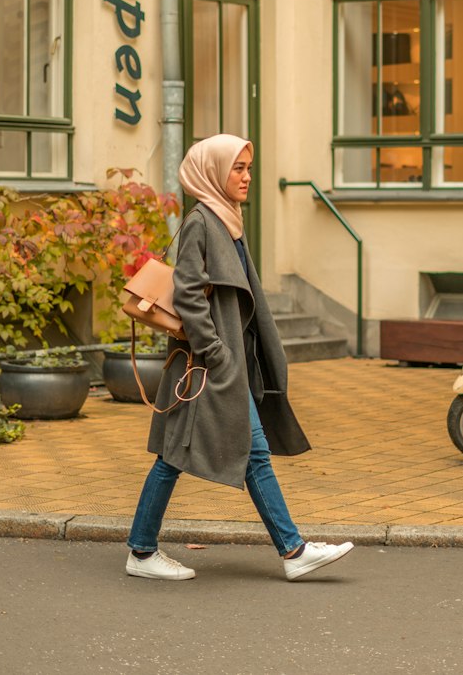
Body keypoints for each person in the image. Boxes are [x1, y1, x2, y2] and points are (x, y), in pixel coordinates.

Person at [125, 133, 353, 582]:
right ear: (213, 172)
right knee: (219, 454)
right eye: (238, 168)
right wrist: (216, 353)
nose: (248, 177)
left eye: (249, 168)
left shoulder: (225, 220)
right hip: (208, 365)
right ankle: (291, 551)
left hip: (221, 362)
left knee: (197, 454)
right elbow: (189, 295)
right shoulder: (201, 223)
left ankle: (146, 550)